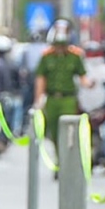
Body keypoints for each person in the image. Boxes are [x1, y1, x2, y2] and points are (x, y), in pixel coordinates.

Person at [34, 20, 94, 160]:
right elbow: (41, 79)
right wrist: (38, 100)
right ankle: (59, 159)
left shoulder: (75, 56)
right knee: (53, 131)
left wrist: (90, 84)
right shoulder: (46, 57)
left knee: (68, 130)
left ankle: (68, 160)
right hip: (52, 98)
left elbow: (82, 76)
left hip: (68, 99)